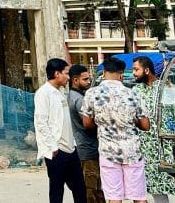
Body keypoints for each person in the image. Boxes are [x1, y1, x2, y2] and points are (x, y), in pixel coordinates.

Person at [81, 57, 150, 203]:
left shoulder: (92, 94)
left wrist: (103, 124)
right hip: (132, 152)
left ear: (103, 73)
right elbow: (145, 125)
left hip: (108, 152)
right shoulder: (133, 94)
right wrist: (130, 121)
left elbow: (87, 123)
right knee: (139, 197)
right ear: (121, 74)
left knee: (114, 198)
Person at [132, 56, 175, 203]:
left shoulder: (167, 88)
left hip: (167, 147)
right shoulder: (136, 91)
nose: (133, 73)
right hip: (146, 149)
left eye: (136, 69)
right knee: (154, 188)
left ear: (147, 70)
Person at [34, 58, 87, 203]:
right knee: (57, 191)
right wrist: (52, 147)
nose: (68, 77)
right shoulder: (43, 93)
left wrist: (73, 142)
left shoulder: (60, 92)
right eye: (66, 73)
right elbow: (41, 123)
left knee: (80, 189)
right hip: (57, 151)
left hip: (71, 148)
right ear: (57, 74)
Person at [67, 65, 105, 203]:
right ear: (75, 80)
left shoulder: (75, 96)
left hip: (87, 147)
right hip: (87, 149)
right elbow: (88, 124)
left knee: (97, 188)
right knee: (92, 189)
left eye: (89, 79)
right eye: (85, 79)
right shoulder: (78, 99)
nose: (89, 82)